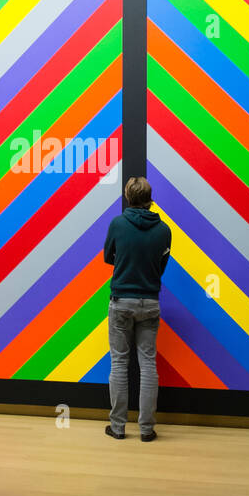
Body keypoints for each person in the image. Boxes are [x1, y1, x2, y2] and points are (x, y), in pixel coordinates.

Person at [102, 176, 172, 442]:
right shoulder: (164, 230)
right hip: (150, 303)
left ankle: (118, 428)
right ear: (149, 198)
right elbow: (160, 267)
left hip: (121, 302)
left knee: (119, 363)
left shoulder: (118, 224)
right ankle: (146, 429)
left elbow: (108, 257)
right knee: (148, 364)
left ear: (128, 197)